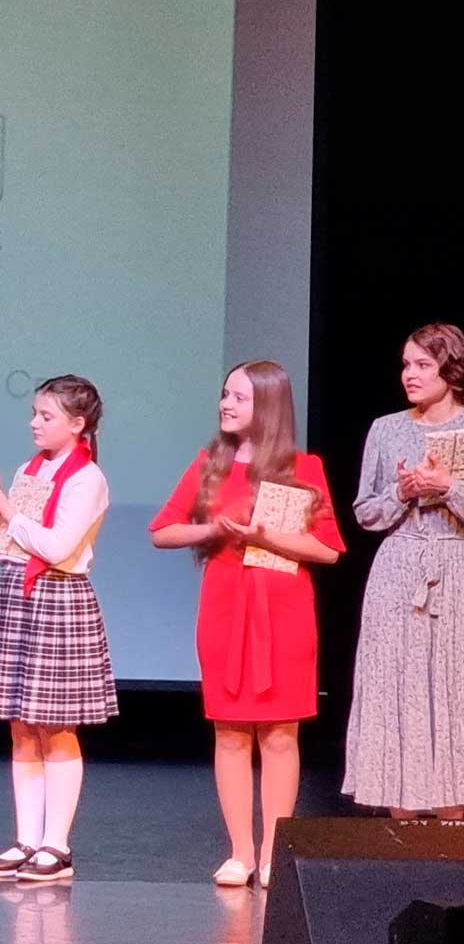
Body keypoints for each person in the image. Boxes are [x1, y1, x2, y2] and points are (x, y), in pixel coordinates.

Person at [149, 360, 345, 886]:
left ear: (268, 404)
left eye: (238, 397)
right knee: (230, 731)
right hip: (226, 606)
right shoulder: (210, 464)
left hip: (283, 610)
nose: (225, 405)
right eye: (225, 395)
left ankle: (274, 853)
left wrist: (266, 537)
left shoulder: (304, 468)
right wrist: (214, 529)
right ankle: (240, 852)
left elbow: (328, 550)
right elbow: (163, 531)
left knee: (281, 733)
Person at [0, 376, 114, 885]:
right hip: (18, 593)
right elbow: (13, 543)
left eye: (46, 416)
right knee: (21, 724)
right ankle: (26, 839)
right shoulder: (30, 470)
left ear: (77, 424)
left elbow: (55, 548)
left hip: (58, 596)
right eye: (34, 412)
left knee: (56, 725)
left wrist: (10, 512)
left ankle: (57, 844)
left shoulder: (87, 478)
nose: (34, 423)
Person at [344, 322, 463, 819]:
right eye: (405, 365)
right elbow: (366, 512)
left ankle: (454, 820)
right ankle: (402, 826)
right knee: (399, 689)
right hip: (398, 571)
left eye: (422, 365)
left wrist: (448, 488)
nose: (409, 374)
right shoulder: (386, 428)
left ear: (450, 370)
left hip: (455, 566)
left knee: (453, 689)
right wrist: (402, 492)